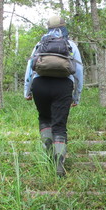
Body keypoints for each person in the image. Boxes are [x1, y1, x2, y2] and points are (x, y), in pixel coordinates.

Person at [24, 15, 83, 176]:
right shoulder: (70, 45)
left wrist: (27, 91)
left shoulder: (40, 44)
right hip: (63, 85)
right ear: (64, 27)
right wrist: (76, 96)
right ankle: (58, 164)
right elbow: (78, 72)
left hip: (40, 84)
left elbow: (30, 69)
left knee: (44, 118)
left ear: (48, 28)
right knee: (60, 126)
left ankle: (48, 149)